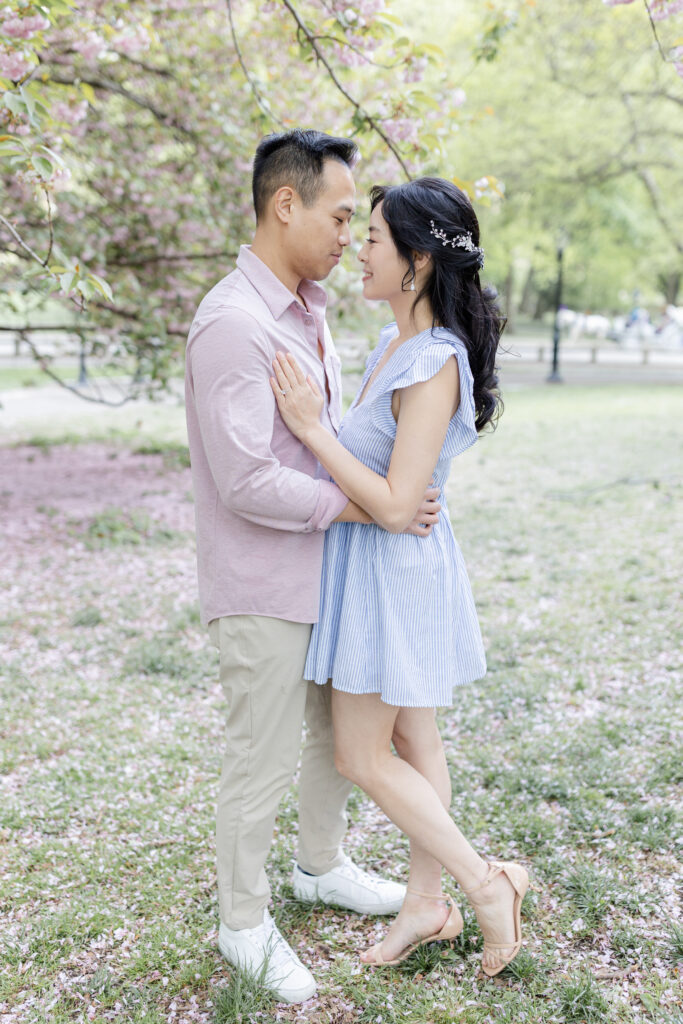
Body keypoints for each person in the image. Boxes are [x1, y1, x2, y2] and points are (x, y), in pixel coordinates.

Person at [184, 131, 442, 1004]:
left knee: (338, 739)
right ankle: (243, 922)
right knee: (258, 758)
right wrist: (365, 505)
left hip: (329, 575)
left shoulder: (308, 311)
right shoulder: (233, 323)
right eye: (337, 216)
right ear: (283, 204)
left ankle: (320, 866)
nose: (347, 235)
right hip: (262, 582)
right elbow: (246, 479)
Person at [269, 177, 530, 975]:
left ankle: (484, 886)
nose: (358, 247)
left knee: (361, 755)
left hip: (393, 570)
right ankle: (425, 904)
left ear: (417, 261)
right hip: (380, 565)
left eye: (374, 236)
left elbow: (391, 505)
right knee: (414, 740)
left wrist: (312, 429)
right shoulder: (397, 345)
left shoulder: (432, 361)